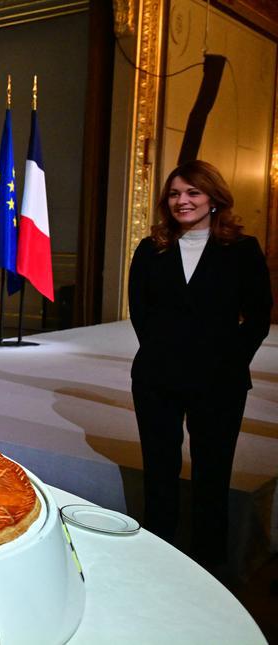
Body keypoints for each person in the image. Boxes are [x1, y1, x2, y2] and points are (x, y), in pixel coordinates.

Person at [128, 159, 272, 569]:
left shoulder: (242, 250)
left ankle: (210, 566)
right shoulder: (150, 249)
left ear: (213, 198)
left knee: (213, 476)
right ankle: (159, 557)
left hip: (220, 381)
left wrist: (227, 362)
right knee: (160, 471)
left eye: (192, 192)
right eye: (174, 193)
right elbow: (140, 312)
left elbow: (259, 316)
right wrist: (164, 354)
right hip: (157, 378)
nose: (182, 201)